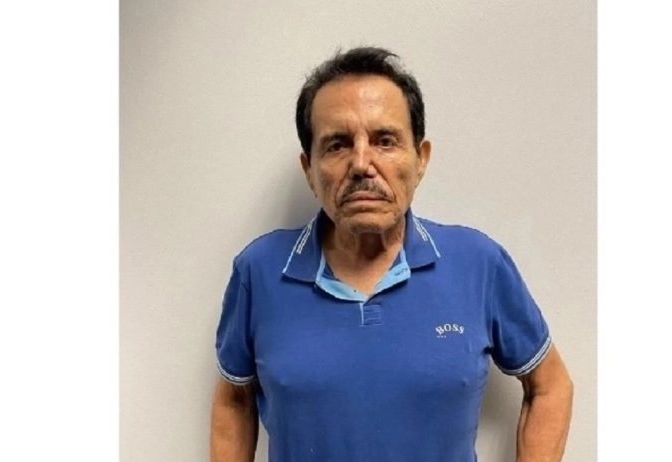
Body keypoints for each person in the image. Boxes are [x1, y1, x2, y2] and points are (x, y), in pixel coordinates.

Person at [210, 47, 573, 462]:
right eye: (337, 145)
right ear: (309, 168)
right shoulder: (259, 271)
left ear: (420, 159)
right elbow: (233, 401)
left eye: (385, 141)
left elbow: (550, 386)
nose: (361, 164)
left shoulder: (478, 264)